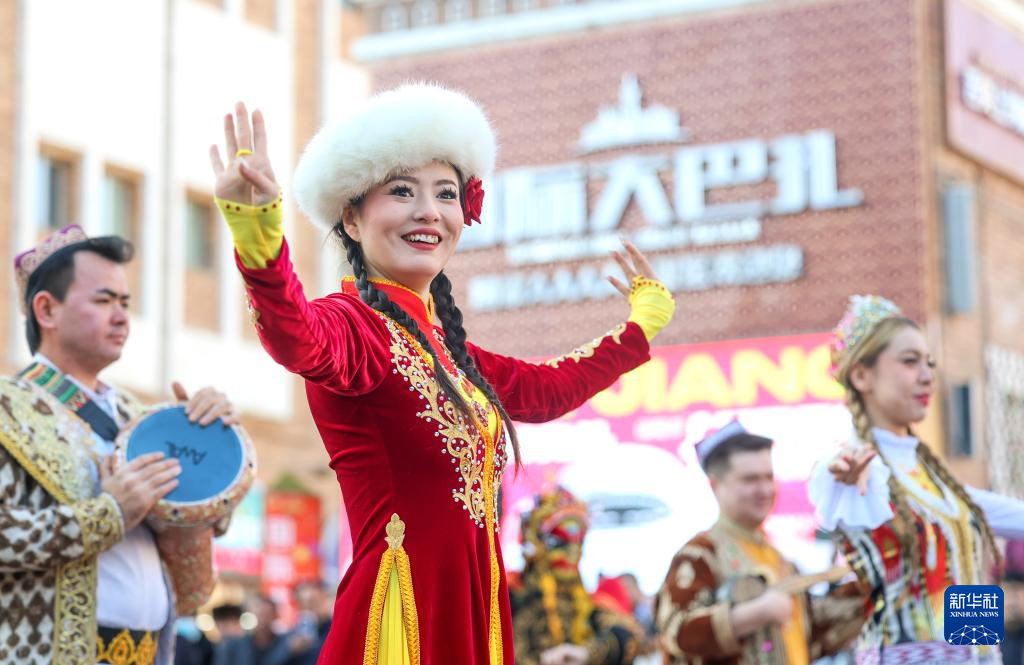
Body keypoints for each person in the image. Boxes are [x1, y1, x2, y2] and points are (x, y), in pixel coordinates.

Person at [208, 83, 675, 664]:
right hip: (400, 620)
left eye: (446, 194)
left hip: (472, 613)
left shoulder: (452, 354)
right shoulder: (352, 326)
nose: (428, 210)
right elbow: (295, 334)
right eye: (402, 191)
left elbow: (547, 390)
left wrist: (641, 326)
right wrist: (258, 236)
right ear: (351, 218)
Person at [0, 226, 240, 665]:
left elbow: (192, 556)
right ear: (46, 309)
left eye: (125, 303)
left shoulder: (141, 414)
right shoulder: (6, 408)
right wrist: (107, 513)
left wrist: (212, 453)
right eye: (104, 300)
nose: (121, 317)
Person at [809, 295, 1024, 664]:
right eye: (909, 362)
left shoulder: (935, 483)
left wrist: (980, 651)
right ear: (861, 376)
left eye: (929, 363)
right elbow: (843, 487)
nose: (927, 376)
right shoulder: (857, 469)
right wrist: (845, 479)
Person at [655, 422, 864, 665]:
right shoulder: (700, 554)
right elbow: (676, 631)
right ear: (715, 485)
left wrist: (868, 591)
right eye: (750, 479)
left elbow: (813, 636)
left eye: (768, 477)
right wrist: (753, 614)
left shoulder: (780, 560)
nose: (764, 489)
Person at [509, 487, 642, 665]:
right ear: (536, 542)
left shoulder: (588, 603)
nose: (572, 554)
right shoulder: (509, 597)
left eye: (578, 543)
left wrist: (586, 654)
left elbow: (629, 640)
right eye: (559, 543)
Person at [213, 594, 291, 665]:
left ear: (274, 616)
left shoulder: (285, 644)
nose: (263, 620)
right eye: (259, 615)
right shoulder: (234, 646)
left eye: (267, 615)